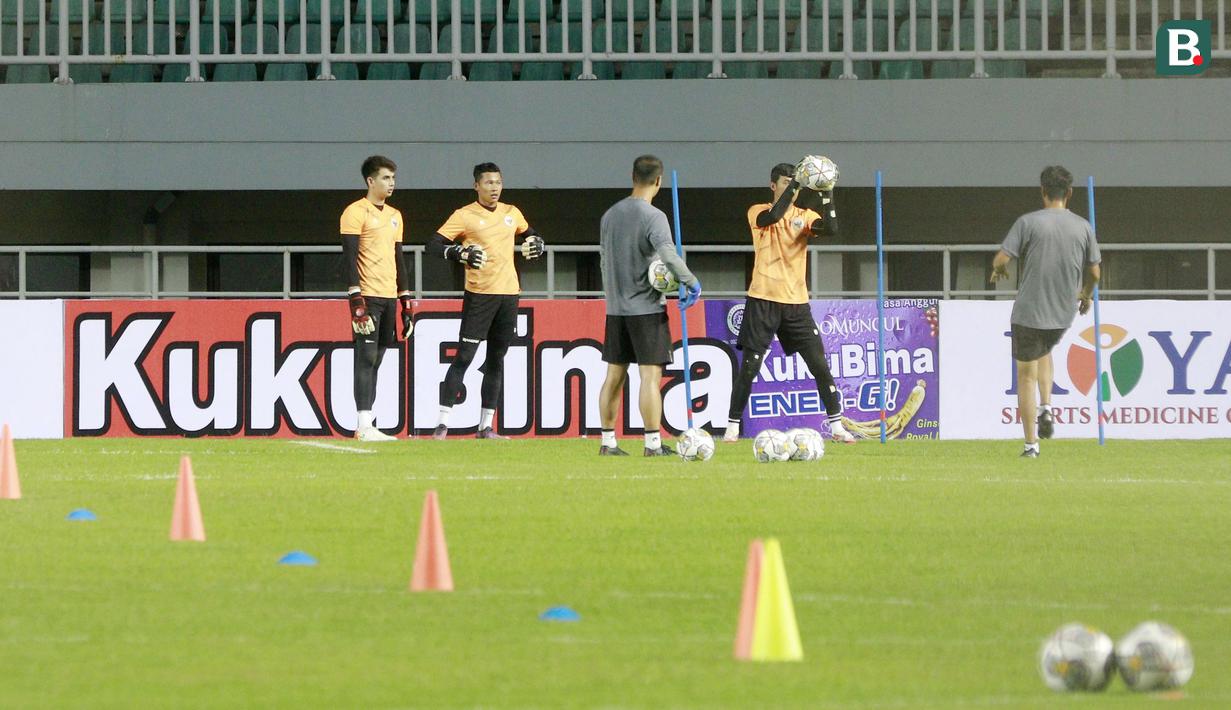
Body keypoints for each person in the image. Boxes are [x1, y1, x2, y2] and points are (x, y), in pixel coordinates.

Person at [723, 161, 855, 444]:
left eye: (793, 183)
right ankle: (733, 427)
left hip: (796, 303)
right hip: (762, 299)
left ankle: (837, 426)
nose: (791, 187)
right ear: (774, 186)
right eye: (785, 182)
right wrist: (797, 183)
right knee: (750, 365)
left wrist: (827, 192)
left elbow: (830, 228)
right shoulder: (758, 211)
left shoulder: (804, 216)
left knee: (819, 364)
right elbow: (773, 216)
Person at [427, 162, 544, 439]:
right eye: (489, 182)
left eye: (498, 182)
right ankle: (442, 423)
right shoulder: (465, 215)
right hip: (479, 296)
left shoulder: (511, 213)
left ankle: (486, 426)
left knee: (496, 360)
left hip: (509, 295)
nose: (494, 188)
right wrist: (459, 253)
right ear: (476, 185)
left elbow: (533, 235)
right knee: (464, 357)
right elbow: (432, 245)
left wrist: (538, 243)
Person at [991, 165, 1101, 458]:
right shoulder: (1083, 227)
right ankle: (1047, 406)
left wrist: (998, 268)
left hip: (1029, 309)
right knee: (1046, 350)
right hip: (1062, 311)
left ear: (1043, 191)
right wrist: (1086, 295)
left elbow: (1002, 258)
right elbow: (1095, 273)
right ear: (1070, 193)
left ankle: (1031, 446)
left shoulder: (1028, 222)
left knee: (1026, 375)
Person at [596, 155, 701, 457]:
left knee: (614, 376)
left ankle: (607, 442)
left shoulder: (609, 215)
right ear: (658, 181)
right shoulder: (654, 216)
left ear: (632, 177)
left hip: (615, 309)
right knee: (649, 377)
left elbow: (604, 260)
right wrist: (690, 281)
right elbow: (668, 255)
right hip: (646, 310)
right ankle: (653, 444)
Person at [340, 155, 414, 442]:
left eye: (393, 178)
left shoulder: (395, 215)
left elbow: (399, 258)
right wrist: (354, 296)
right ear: (370, 181)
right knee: (366, 357)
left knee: (379, 358)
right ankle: (362, 424)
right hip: (367, 296)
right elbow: (348, 257)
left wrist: (406, 301)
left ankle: (368, 422)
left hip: (388, 295)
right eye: (385, 177)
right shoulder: (354, 212)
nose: (391, 183)